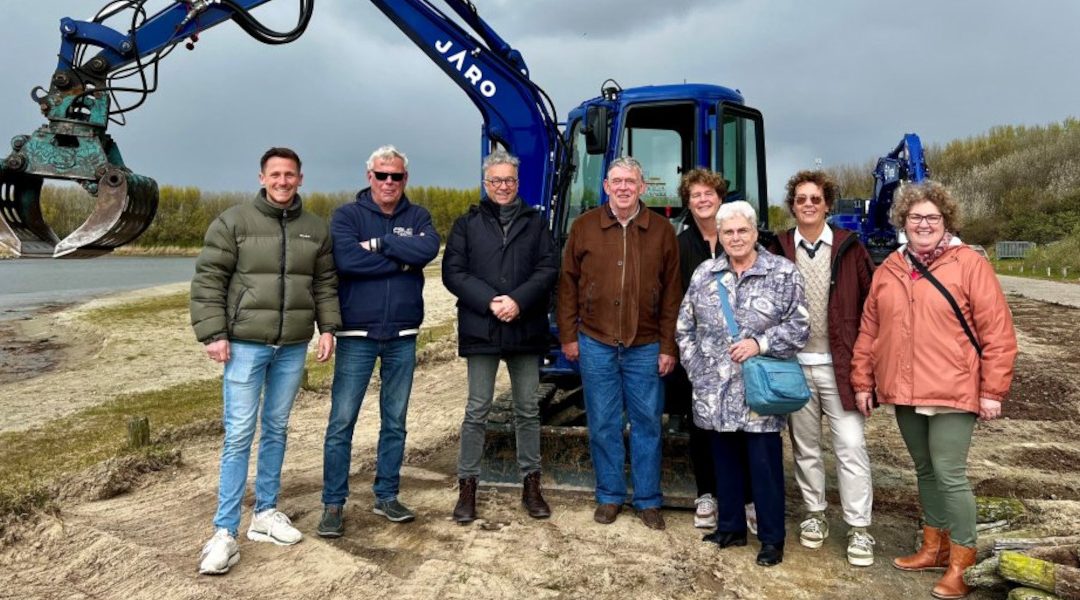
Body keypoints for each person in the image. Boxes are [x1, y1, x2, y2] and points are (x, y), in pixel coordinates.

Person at [851, 181, 1017, 599]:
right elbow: (870, 329)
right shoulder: (889, 267)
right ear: (902, 222)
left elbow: (997, 331)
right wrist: (862, 378)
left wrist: (992, 389)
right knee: (924, 470)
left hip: (953, 388)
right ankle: (934, 547)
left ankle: (963, 561)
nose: (923, 224)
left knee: (950, 473)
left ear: (946, 222)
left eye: (932, 218)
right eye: (915, 217)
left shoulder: (969, 264)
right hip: (904, 389)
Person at [190, 147, 340, 575]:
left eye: (290, 174)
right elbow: (209, 280)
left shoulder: (315, 228)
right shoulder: (233, 222)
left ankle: (266, 515)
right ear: (261, 177)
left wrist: (327, 328)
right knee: (238, 434)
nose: (282, 181)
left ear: (300, 178)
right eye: (275, 174)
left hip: (292, 345)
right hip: (244, 345)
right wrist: (214, 333)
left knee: (276, 428)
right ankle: (224, 532)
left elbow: (325, 283)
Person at [676, 200, 808, 567]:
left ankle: (770, 539)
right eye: (728, 232)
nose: (735, 238)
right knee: (725, 462)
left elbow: (800, 326)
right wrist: (696, 369)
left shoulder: (782, 273)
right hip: (714, 390)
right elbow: (684, 326)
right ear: (719, 235)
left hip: (759, 391)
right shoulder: (705, 274)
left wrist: (760, 344)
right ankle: (730, 527)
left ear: (754, 233)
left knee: (763, 466)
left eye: (742, 231)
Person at [318, 145, 440, 536]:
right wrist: (401, 260)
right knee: (342, 422)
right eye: (382, 175)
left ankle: (386, 495)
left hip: (402, 333)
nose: (389, 183)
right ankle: (333, 504)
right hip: (357, 334)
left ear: (406, 179)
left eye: (397, 176)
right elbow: (347, 261)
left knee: (395, 422)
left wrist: (383, 244)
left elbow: (427, 250)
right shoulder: (347, 216)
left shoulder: (418, 215)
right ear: (369, 176)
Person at [557, 156, 681, 531]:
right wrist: (568, 335)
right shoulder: (584, 227)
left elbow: (673, 294)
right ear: (606, 187)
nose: (624, 187)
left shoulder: (661, 231)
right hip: (595, 342)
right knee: (604, 422)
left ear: (643, 188)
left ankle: (647, 500)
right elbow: (567, 285)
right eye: (617, 181)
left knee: (647, 423)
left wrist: (667, 346)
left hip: (645, 345)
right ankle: (610, 495)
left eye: (631, 181)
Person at [442, 149, 558, 523]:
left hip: (525, 327)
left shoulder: (536, 224)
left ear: (517, 183)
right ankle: (468, 488)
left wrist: (518, 301)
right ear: (486, 183)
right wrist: (490, 300)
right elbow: (453, 272)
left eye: (509, 180)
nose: (503, 186)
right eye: (496, 180)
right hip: (483, 327)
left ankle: (531, 485)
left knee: (527, 409)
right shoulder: (466, 224)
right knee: (477, 409)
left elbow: (548, 267)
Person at [769, 170, 876, 566]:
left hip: (840, 366)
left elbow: (871, 307)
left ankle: (859, 528)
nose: (808, 204)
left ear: (827, 204)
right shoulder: (779, 248)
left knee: (850, 446)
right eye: (801, 199)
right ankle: (815, 515)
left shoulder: (850, 248)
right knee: (806, 447)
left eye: (816, 198)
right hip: (796, 366)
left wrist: (867, 367)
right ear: (793, 206)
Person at [666, 168, 724, 529]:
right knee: (701, 423)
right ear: (688, 202)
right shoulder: (682, 245)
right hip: (698, 353)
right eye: (696, 195)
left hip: (736, 351)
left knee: (739, 425)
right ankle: (706, 494)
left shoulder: (740, 234)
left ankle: (741, 495)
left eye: (709, 194)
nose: (703, 200)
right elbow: (674, 299)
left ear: (720, 197)